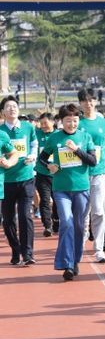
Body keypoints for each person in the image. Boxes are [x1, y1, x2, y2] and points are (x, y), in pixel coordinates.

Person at [39, 104, 97, 281]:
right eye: (68, 121)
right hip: (61, 189)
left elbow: (93, 161)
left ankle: (75, 260)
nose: (72, 124)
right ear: (61, 121)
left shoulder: (85, 136)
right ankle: (67, 264)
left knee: (78, 226)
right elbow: (42, 158)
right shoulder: (55, 138)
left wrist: (76, 150)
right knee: (67, 223)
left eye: (75, 120)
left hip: (81, 189)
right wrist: (49, 165)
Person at [78, 89, 105, 263]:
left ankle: (99, 248)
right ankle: (81, 241)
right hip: (81, 174)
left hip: (100, 172)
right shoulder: (77, 123)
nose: (88, 103)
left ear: (95, 101)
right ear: (80, 103)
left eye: (91, 100)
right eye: (85, 101)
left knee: (99, 210)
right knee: (83, 212)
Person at [1, 96, 38, 265]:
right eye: (8, 107)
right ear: (3, 112)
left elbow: (34, 144)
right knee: (8, 220)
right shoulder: (1, 132)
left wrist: (33, 156)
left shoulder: (28, 127)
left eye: (14, 106)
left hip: (26, 177)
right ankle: (16, 250)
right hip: (6, 181)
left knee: (25, 216)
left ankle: (28, 253)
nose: (12, 109)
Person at [35, 112, 59, 237]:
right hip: (42, 173)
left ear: (53, 122)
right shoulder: (37, 134)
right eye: (41, 123)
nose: (43, 126)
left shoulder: (59, 135)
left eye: (46, 123)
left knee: (57, 200)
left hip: (57, 174)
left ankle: (56, 221)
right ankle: (47, 226)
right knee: (44, 199)